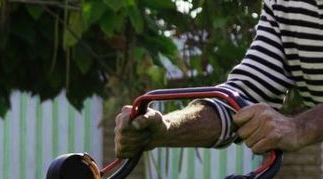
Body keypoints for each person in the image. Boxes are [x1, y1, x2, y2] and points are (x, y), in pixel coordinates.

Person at [116, 2, 323, 157]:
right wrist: (165, 128)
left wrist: (300, 128)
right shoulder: (284, 4)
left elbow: (297, 129)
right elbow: (241, 99)